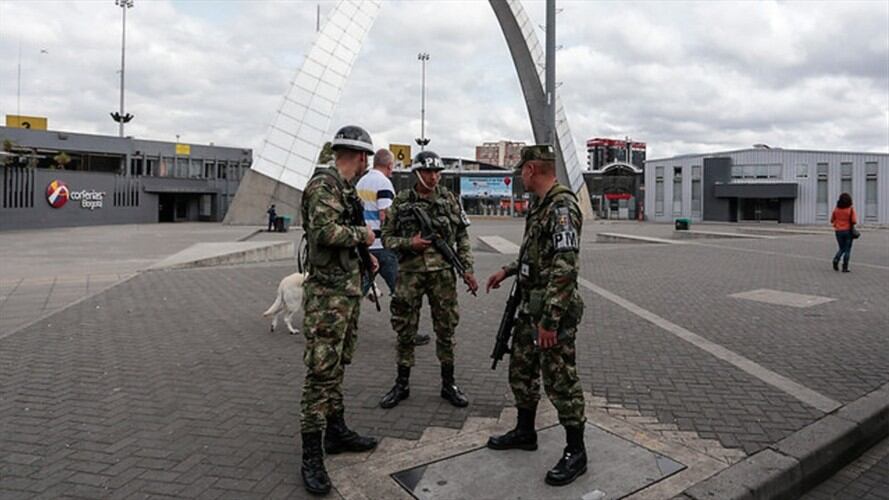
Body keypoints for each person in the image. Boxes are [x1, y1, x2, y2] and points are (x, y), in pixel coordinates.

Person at [485, 145, 587, 486]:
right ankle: (525, 432)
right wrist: (508, 270)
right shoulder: (540, 205)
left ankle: (576, 451)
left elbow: (565, 267)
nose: (520, 178)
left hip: (550, 313)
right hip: (530, 307)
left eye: (521, 171)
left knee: (561, 380)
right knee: (522, 370)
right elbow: (536, 255)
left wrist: (550, 321)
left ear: (531, 169)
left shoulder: (562, 207)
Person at [298, 125, 380, 495]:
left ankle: (336, 431)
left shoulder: (345, 190)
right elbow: (324, 232)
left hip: (345, 293)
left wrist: (365, 259)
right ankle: (311, 455)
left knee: (337, 365)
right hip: (327, 298)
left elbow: (342, 234)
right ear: (360, 156)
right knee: (321, 372)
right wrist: (364, 236)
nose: (366, 164)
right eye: (366, 158)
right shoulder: (323, 186)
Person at [379, 150, 479, 409]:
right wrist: (409, 243)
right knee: (405, 329)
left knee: (446, 329)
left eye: (437, 172)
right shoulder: (401, 202)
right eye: (428, 171)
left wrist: (467, 269)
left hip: (442, 275)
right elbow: (386, 238)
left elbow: (462, 237)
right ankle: (401, 384)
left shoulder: (449, 200)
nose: (433, 177)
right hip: (409, 274)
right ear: (417, 173)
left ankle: (449, 384)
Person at [356, 149, 430, 346]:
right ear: (389, 166)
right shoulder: (383, 183)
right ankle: (407, 333)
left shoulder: (361, 182)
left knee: (359, 288)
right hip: (383, 246)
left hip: (364, 245)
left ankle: (342, 325)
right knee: (400, 291)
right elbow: (386, 214)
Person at [831, 192, 858, 273]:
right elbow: (854, 221)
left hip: (838, 231)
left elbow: (832, 220)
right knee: (847, 249)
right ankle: (845, 267)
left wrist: (837, 223)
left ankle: (836, 260)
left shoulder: (836, 210)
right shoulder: (850, 209)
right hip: (848, 231)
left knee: (841, 248)